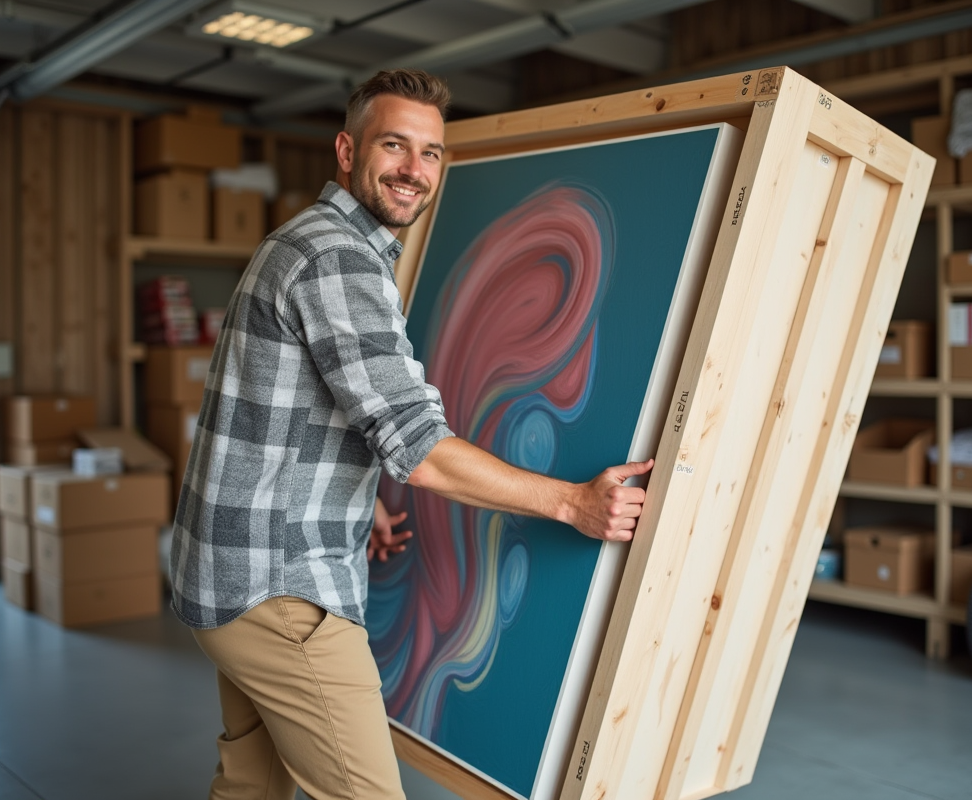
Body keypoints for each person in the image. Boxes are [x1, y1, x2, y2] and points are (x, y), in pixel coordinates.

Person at [169, 68, 654, 800]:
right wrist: (571, 504)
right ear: (346, 149)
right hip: (280, 588)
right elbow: (419, 449)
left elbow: (292, 411)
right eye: (394, 145)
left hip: (230, 573)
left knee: (250, 783)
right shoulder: (337, 258)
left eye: (430, 153)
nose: (413, 170)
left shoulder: (309, 243)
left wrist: (358, 501)